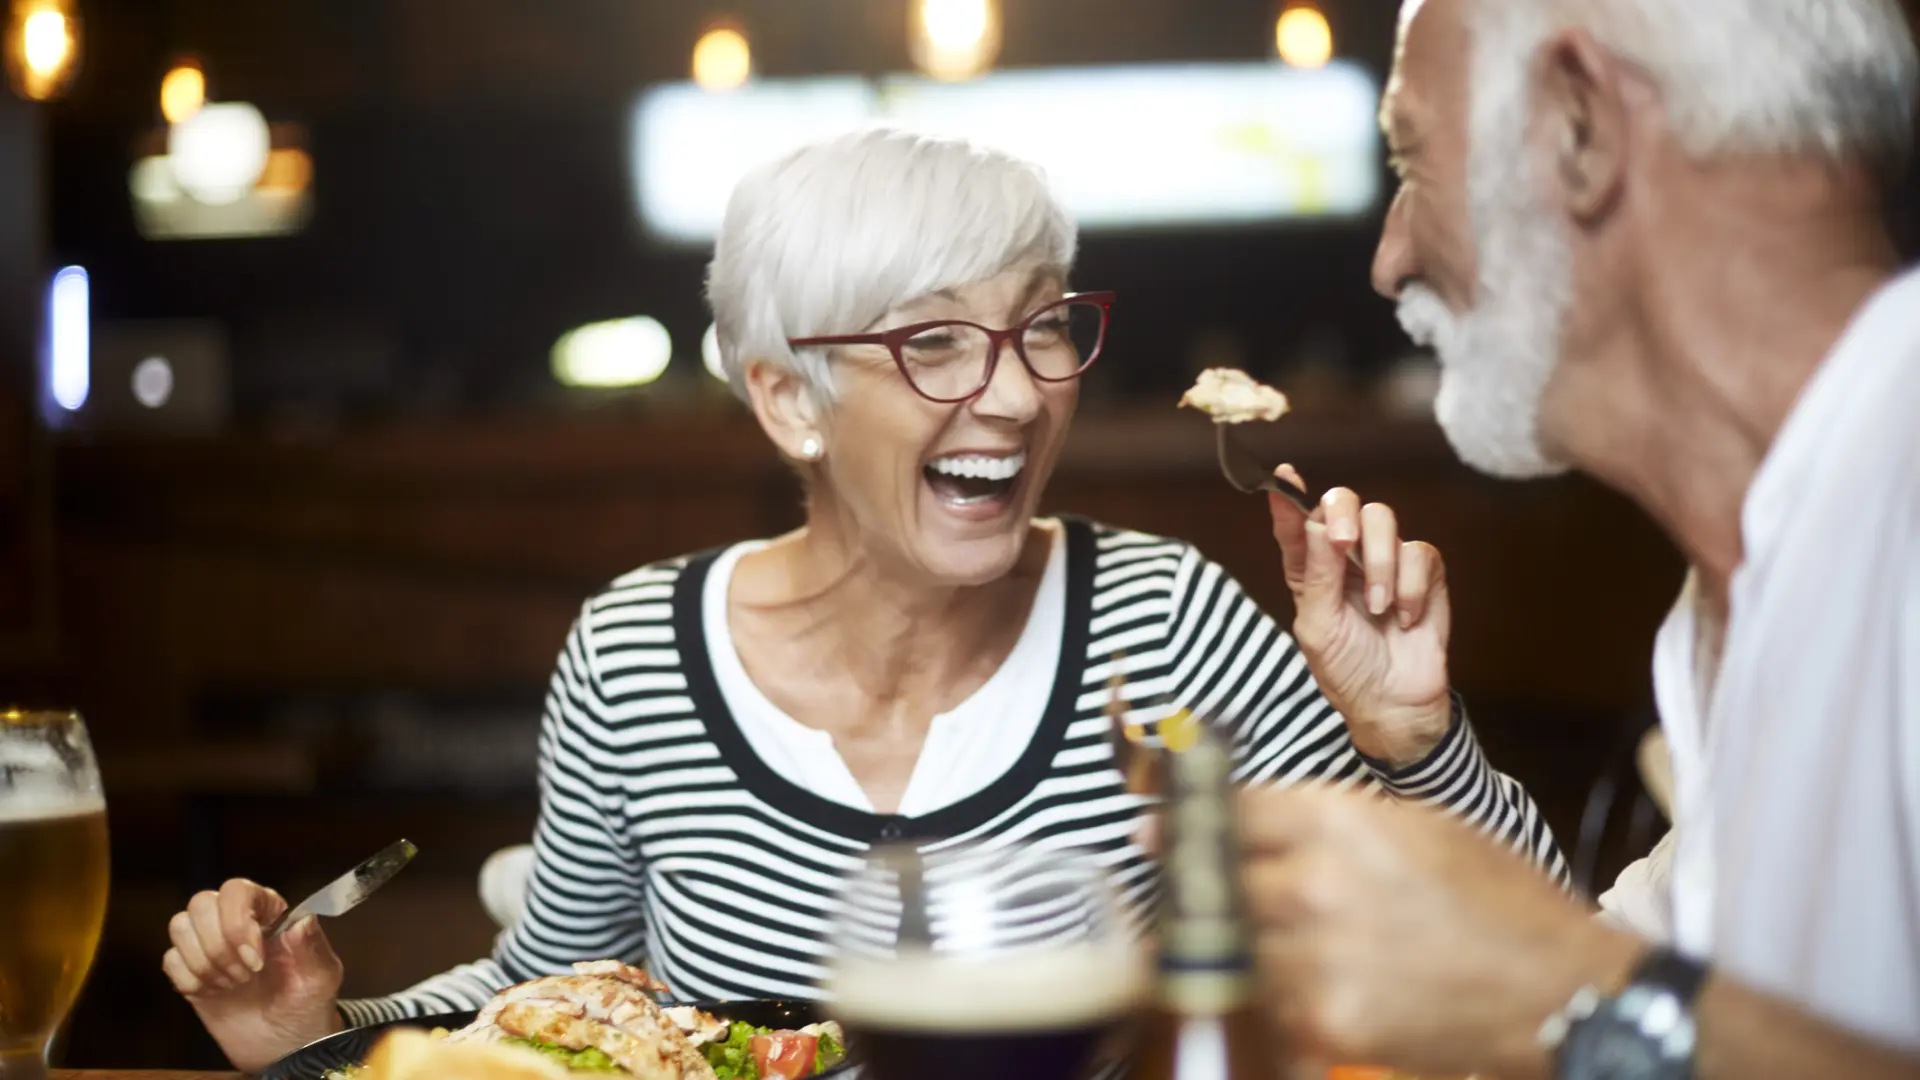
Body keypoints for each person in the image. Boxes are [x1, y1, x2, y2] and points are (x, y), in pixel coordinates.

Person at [157, 128, 1564, 1073]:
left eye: (1041, 327)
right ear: (788, 397)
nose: (1014, 396)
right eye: (936, 342)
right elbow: (536, 1010)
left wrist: (1412, 741)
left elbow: (1548, 972)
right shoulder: (636, 657)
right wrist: (319, 1027)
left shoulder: (1168, 622)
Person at [1243, 0, 1920, 1077]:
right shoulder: (1734, 591)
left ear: (1580, 127)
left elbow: (1579, 992)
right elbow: (1619, 998)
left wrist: (1552, 986)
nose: (1389, 257)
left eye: (1414, 162)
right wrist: (1418, 751)